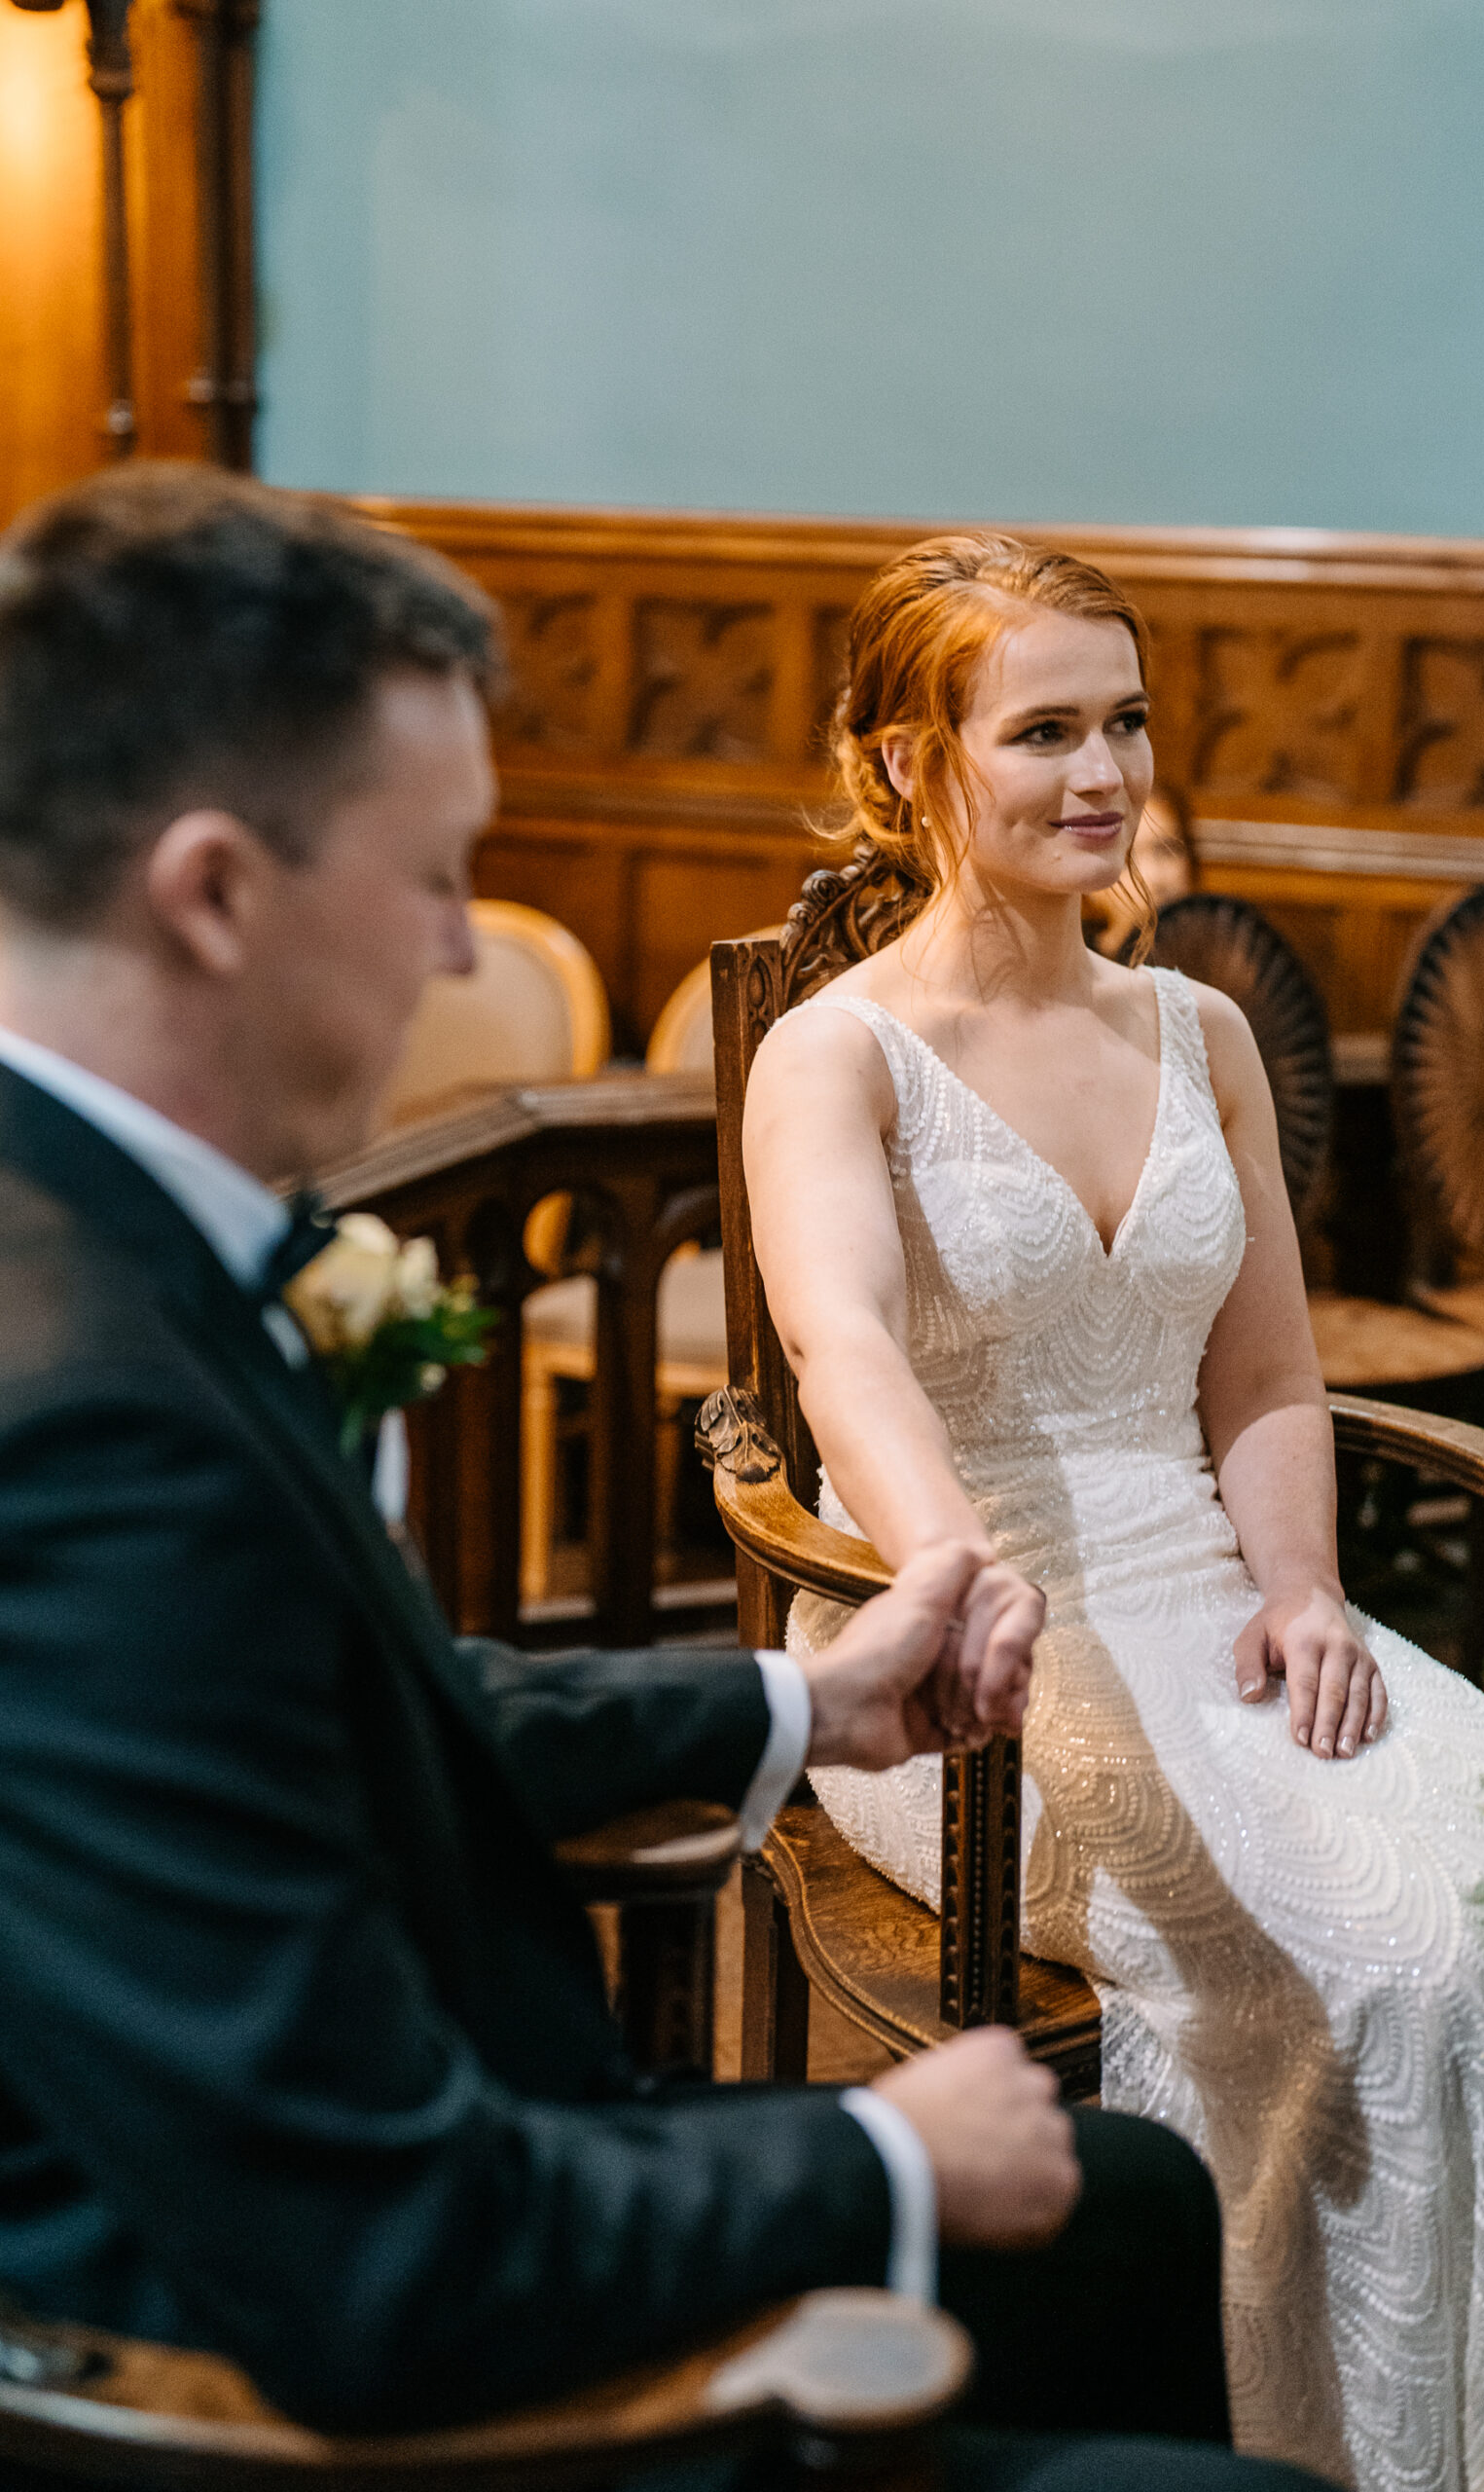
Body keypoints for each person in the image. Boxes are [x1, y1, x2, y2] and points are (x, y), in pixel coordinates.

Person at [0, 465, 1333, 2492]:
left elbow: (355, 1718)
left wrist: (795, 1698)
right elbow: (367, 2256)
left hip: (418, 2160)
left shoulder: (101, 1242)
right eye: (436, 873)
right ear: (213, 891)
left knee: (1129, 2196)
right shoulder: (90, 1410)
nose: (464, 948)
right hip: (290, 2374)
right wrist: (872, 2151)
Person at [743, 533, 1484, 2492]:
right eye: (1044, 728)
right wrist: (956, 1583)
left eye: (1126, 721)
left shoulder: (1200, 1031)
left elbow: (1256, 1373)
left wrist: (1309, 1587)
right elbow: (843, 1356)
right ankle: (1339, 2458)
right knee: (1387, 1965)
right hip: (953, 1646)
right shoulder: (832, 1055)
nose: (1102, 771)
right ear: (912, 759)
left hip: (1212, 1582)